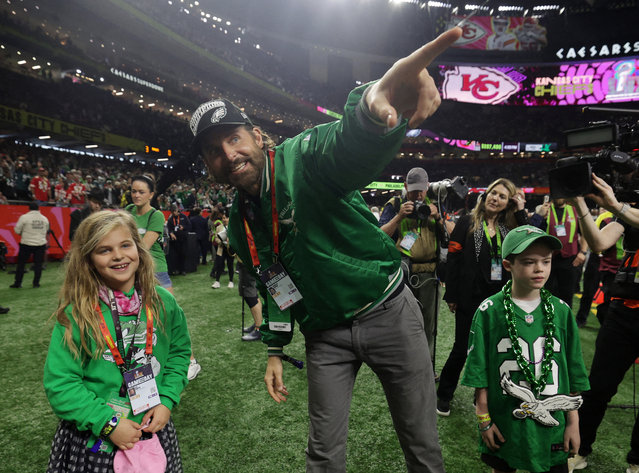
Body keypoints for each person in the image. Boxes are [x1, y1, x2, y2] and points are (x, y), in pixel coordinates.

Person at [190, 27, 463, 472]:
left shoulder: (303, 155)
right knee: (322, 457)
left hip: (387, 312)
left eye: (234, 137)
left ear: (258, 136)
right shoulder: (239, 224)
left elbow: (346, 149)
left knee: (421, 446)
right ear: (208, 166)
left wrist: (375, 108)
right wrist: (276, 349)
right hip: (325, 338)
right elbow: (275, 283)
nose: (228, 152)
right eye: (213, 150)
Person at [43, 210, 191, 472]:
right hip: (96, 436)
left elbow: (179, 354)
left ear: (139, 248)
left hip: (152, 423)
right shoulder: (77, 312)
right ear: (88, 260)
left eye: (125, 245)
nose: (119, 255)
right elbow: (61, 383)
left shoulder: (163, 302)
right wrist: (107, 423)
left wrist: (167, 399)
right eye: (104, 250)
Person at [462, 225, 590, 473]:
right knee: (503, 466)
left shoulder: (561, 311)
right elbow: (479, 371)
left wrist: (573, 423)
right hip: (506, 418)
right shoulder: (490, 310)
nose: (540, 268)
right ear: (508, 265)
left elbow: (573, 369)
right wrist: (484, 419)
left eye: (546, 261)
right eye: (529, 262)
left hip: (553, 421)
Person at [565, 174, 639, 473]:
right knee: (598, 386)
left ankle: (637, 459)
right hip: (623, 311)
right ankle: (579, 449)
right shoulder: (630, 209)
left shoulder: (627, 209)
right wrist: (579, 202)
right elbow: (598, 242)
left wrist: (615, 204)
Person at [437, 178, 528, 416]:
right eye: (492, 193)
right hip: (469, 297)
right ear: (485, 195)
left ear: (508, 203)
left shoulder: (509, 228)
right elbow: (454, 261)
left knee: (492, 351)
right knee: (461, 349)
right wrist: (452, 295)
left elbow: (528, 242)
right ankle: (444, 395)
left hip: (498, 299)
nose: (495, 198)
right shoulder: (467, 221)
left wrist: (521, 212)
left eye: (502, 196)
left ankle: (481, 398)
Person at [126, 176, 201, 381]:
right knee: (139, 321)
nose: (137, 195)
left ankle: (191, 361)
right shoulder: (128, 212)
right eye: (134, 191)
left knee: (169, 317)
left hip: (155, 271)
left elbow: (143, 247)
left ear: (151, 194)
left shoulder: (156, 215)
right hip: (133, 272)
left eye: (141, 192)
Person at [379, 167, 447, 377]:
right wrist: (399, 217)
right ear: (406, 187)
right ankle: (403, 365)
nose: (417, 195)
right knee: (402, 322)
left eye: (421, 190)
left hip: (429, 273)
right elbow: (378, 236)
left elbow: (453, 236)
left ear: (427, 188)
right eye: (413, 190)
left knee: (428, 323)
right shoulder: (394, 205)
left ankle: (426, 366)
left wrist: (439, 217)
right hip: (404, 272)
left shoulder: (435, 207)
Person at [539, 198, 589, 309]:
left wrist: (583, 252)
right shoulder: (544, 210)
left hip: (570, 259)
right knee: (547, 293)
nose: (559, 196)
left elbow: (585, 232)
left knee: (567, 294)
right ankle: (548, 321)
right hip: (548, 259)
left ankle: (565, 322)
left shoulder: (574, 211)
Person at [10, 202, 50, 288]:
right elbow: (46, 231)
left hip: (26, 243)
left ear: (29, 209)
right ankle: (36, 283)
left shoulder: (24, 217)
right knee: (38, 264)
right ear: (38, 209)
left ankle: (18, 283)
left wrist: (24, 234)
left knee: (21, 264)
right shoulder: (44, 219)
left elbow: (17, 230)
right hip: (40, 244)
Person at [237, 259, 263, 342]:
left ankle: (259, 329)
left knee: (249, 294)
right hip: (249, 260)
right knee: (252, 293)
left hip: (248, 260)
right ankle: (258, 324)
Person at [211, 211, 234, 289]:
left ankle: (231, 281)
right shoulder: (218, 227)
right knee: (219, 265)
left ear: (229, 218)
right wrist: (220, 241)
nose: (224, 220)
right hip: (221, 249)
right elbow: (216, 238)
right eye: (223, 218)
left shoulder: (233, 227)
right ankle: (217, 281)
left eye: (225, 218)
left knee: (230, 265)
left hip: (230, 249)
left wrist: (230, 241)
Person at [167, 205, 192, 276]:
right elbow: (169, 228)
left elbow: (189, 226)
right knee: (175, 255)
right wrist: (171, 233)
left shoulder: (184, 217)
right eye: (173, 212)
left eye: (175, 211)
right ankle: (176, 269)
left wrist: (183, 227)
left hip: (183, 239)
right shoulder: (171, 219)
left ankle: (183, 270)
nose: (175, 213)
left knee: (183, 254)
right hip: (175, 240)